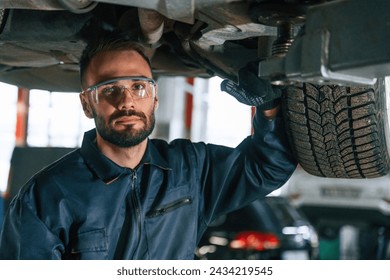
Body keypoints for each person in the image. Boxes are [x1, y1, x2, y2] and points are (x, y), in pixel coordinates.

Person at [0, 33, 297, 260]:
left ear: (154, 98)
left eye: (138, 87)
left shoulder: (190, 169)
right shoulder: (47, 196)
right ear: (87, 104)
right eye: (110, 89)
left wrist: (268, 108)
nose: (126, 101)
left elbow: (266, 168)